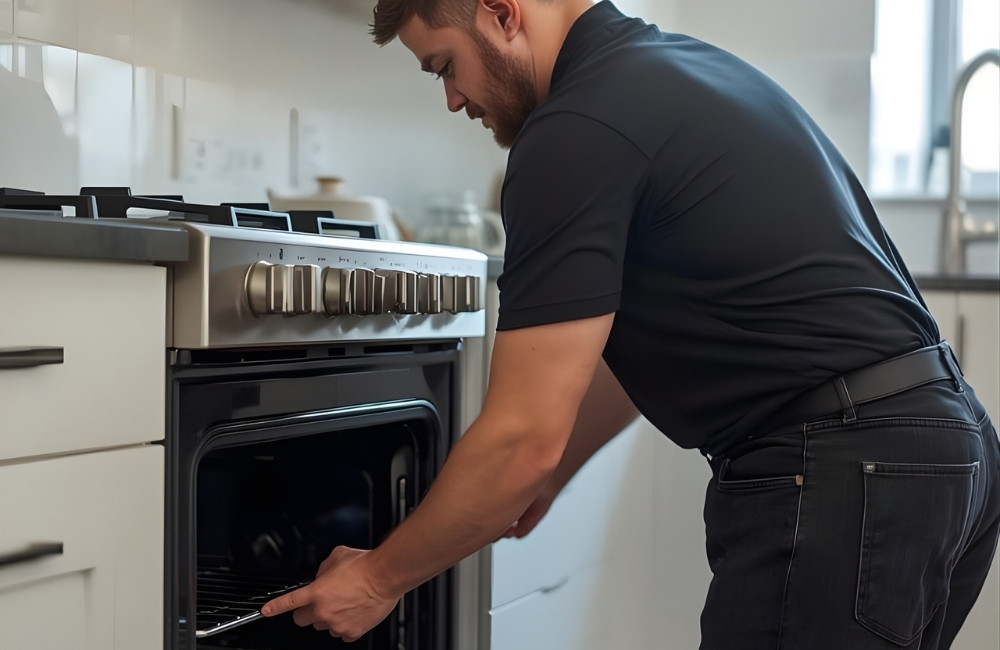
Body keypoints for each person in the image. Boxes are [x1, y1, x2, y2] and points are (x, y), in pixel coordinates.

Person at [262, 1, 1000, 647]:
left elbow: (521, 439)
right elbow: (627, 346)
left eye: (442, 66)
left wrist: (379, 578)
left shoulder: (573, 131)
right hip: (944, 456)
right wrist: (551, 474)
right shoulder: (678, 70)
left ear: (501, 10)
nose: (453, 99)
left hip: (846, 473)